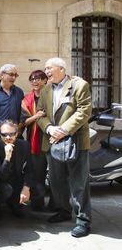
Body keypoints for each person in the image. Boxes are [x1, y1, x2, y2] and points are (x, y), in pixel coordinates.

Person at [37, 57, 92, 238]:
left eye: (49, 68)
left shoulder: (79, 85)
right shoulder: (45, 90)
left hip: (75, 141)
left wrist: (64, 129)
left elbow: (84, 111)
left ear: (61, 68)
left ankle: (83, 220)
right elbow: (40, 114)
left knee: (79, 183)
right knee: (56, 181)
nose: (46, 72)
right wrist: (50, 128)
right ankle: (63, 211)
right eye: (45, 68)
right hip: (53, 141)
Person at [21, 70, 50, 211]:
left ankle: (56, 205)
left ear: (45, 80)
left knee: (55, 176)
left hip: (52, 139)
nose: (35, 81)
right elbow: (23, 122)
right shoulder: (26, 100)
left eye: (38, 78)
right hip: (34, 141)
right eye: (32, 79)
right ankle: (37, 203)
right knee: (37, 174)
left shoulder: (51, 96)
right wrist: (37, 116)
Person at [0, 120, 33, 218]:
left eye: (11, 134)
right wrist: (7, 157)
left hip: (17, 180)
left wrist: (26, 188)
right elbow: (1, 176)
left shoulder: (25, 145)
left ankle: (15, 204)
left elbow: (30, 170)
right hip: (1, 184)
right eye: (4, 134)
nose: (8, 137)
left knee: (38, 189)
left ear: (17, 133)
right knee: (6, 189)